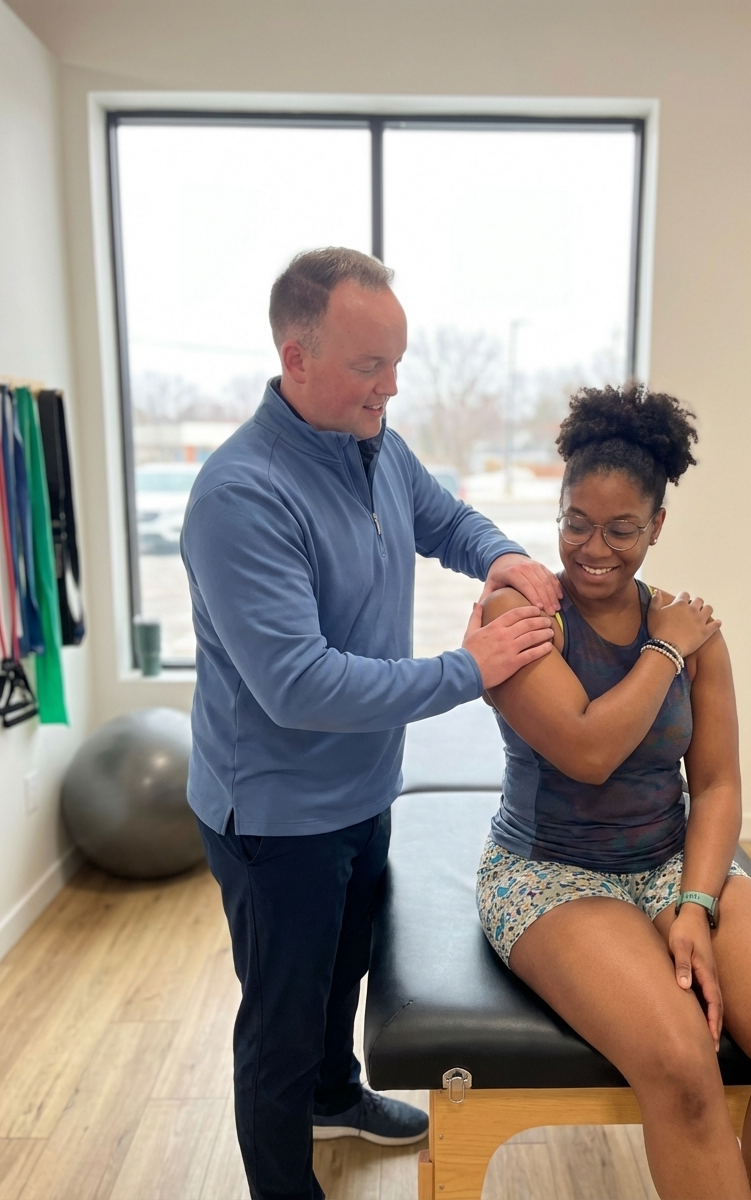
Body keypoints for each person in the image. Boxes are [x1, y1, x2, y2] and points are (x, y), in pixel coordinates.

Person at [180, 247, 562, 1200]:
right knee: (278, 1023)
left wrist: (506, 559)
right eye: (369, 366)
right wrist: (466, 673)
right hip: (273, 818)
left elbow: (448, 521)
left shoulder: (373, 445)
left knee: (344, 975)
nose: (391, 388)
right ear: (295, 356)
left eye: (397, 363)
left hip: (361, 791)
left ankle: (336, 1095)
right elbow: (299, 686)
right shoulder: (240, 495)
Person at [476, 386, 751, 1200]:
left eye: (621, 528)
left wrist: (695, 903)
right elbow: (586, 751)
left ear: (657, 525)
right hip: (548, 875)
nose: (593, 548)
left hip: (668, 862)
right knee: (685, 1066)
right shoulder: (524, 614)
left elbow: (716, 785)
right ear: (559, 509)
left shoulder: (691, 627)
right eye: (576, 522)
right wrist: (664, 651)